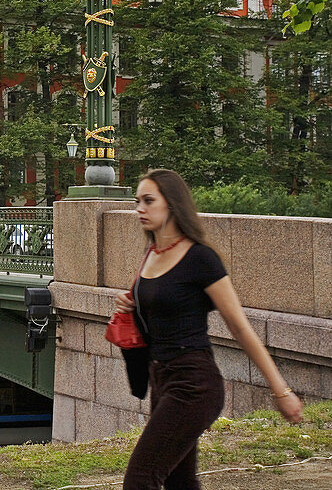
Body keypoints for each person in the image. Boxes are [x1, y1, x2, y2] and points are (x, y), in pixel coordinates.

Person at [117, 169, 303, 489]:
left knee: (140, 479)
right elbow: (162, 309)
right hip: (161, 379)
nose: (139, 209)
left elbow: (240, 328)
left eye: (149, 201)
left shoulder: (201, 259)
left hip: (194, 384)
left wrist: (281, 391)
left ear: (172, 204)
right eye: (138, 201)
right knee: (181, 483)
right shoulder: (151, 254)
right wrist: (132, 304)